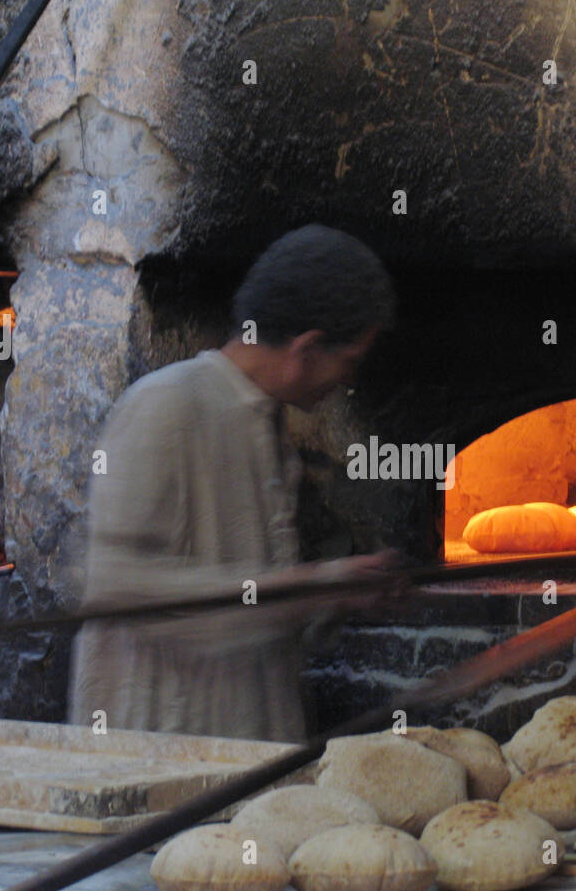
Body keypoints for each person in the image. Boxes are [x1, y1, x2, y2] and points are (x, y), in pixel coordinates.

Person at [68, 224, 399, 742]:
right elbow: (116, 590)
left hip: (245, 749)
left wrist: (339, 595)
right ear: (306, 349)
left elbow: (254, 609)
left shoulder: (264, 423)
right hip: (162, 752)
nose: (348, 381)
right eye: (349, 362)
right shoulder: (164, 405)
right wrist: (315, 585)